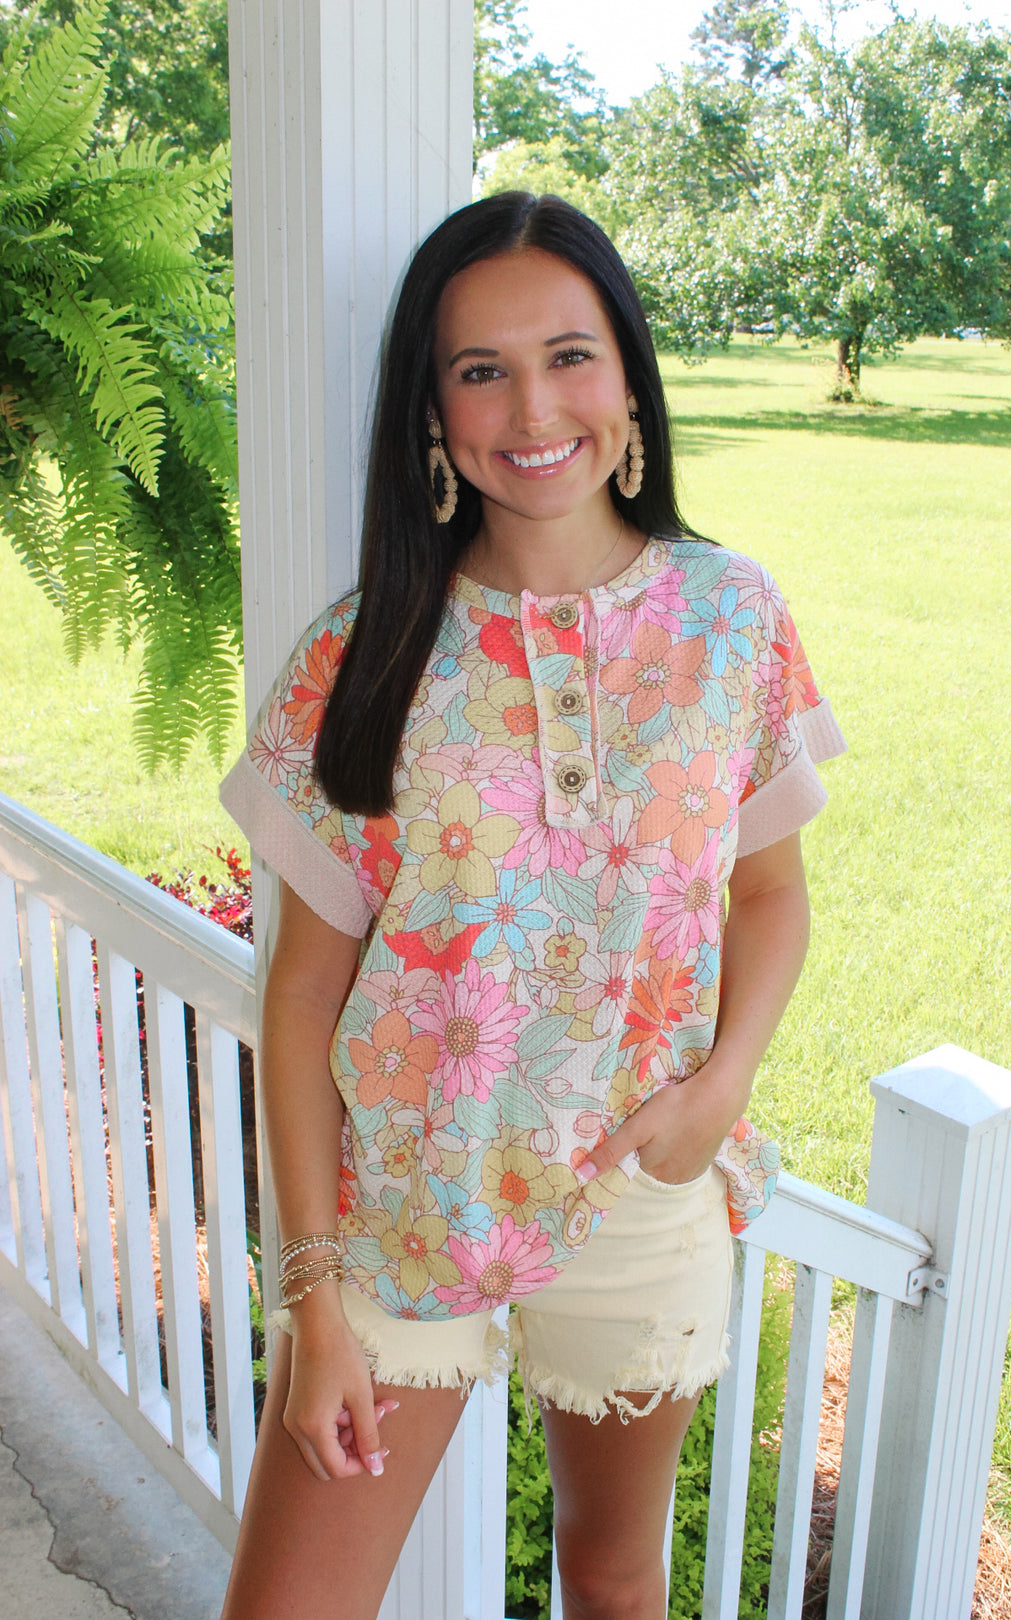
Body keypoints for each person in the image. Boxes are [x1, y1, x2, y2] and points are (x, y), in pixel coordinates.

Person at [218, 191, 844, 1619]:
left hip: (637, 1188)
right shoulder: (365, 648)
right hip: (398, 1207)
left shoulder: (732, 619)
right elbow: (306, 989)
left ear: (628, 376)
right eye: (479, 369)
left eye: (569, 355)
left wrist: (719, 1089)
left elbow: (770, 896)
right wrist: (314, 1295)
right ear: (432, 414)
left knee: (614, 1582)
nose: (532, 406)